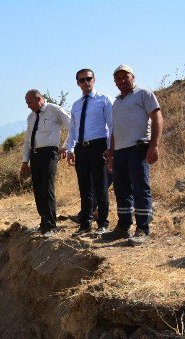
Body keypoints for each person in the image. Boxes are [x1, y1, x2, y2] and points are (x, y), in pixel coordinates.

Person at [102, 64, 163, 246]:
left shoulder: (144, 94)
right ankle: (123, 227)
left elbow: (157, 118)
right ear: (115, 82)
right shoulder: (117, 102)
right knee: (121, 190)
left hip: (138, 149)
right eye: (118, 78)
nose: (122, 81)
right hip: (119, 152)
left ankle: (143, 228)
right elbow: (115, 130)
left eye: (125, 77)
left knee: (140, 189)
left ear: (133, 77)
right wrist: (111, 153)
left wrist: (154, 146)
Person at [65, 68, 113, 237]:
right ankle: (85, 224)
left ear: (94, 79)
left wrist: (110, 148)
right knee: (85, 187)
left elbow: (111, 125)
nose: (86, 82)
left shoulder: (104, 99)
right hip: (81, 148)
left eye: (88, 79)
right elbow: (72, 129)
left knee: (100, 186)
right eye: (82, 80)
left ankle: (103, 223)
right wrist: (70, 149)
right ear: (77, 83)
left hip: (98, 146)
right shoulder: (76, 105)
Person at [20, 89, 70, 236]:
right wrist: (25, 161)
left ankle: (51, 226)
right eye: (26, 103)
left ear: (39, 99)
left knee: (47, 187)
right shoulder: (30, 117)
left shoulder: (53, 110)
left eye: (30, 102)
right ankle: (43, 222)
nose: (28, 106)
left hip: (49, 154)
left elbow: (72, 126)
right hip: (35, 155)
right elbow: (28, 140)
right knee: (38, 189)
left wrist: (66, 147)